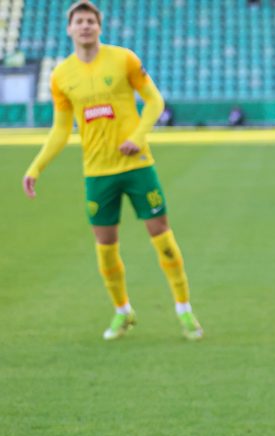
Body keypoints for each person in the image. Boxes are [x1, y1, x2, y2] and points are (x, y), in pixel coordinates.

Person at [21, 1, 202, 341]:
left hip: (137, 167)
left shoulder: (123, 59)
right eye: (79, 21)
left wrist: (137, 136)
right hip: (97, 173)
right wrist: (36, 167)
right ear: (69, 29)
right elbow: (61, 130)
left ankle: (184, 309)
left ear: (99, 27)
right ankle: (123, 311)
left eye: (91, 21)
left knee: (162, 239)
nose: (85, 26)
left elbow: (155, 101)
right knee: (105, 248)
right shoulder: (62, 76)